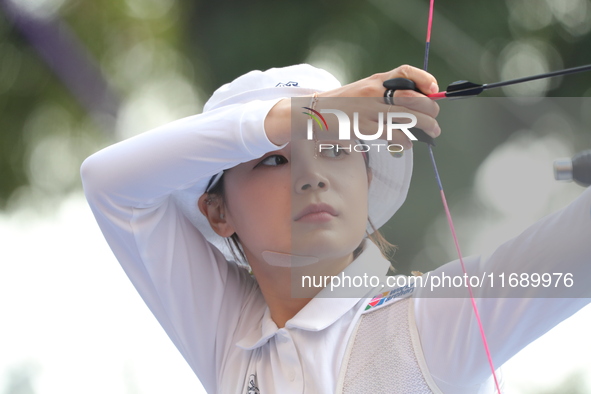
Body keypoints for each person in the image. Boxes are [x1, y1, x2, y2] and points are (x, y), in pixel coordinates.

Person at [80, 64, 591, 394]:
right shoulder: (230, 333)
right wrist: (312, 114)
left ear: (366, 181)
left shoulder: (433, 320)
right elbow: (107, 183)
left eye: (336, 149)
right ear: (219, 212)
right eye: (275, 162)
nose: (313, 176)